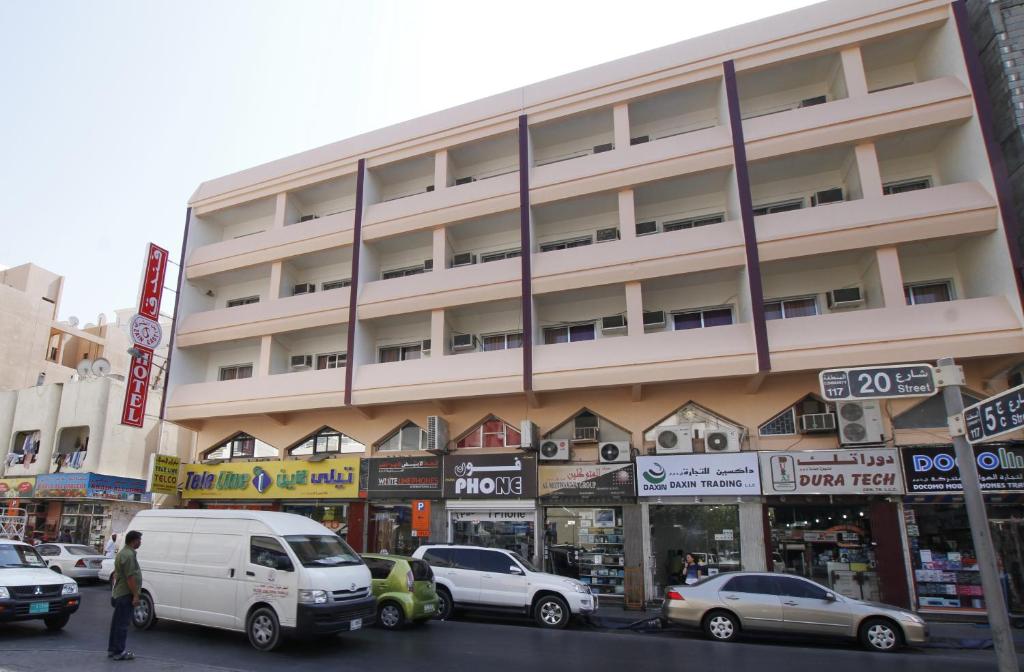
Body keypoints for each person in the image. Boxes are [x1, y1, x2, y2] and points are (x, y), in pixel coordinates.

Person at [108, 530, 142, 661]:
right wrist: (135, 595)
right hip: (125, 594)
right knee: (122, 624)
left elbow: (117, 574)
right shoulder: (128, 555)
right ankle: (119, 651)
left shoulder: (124, 553)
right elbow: (130, 577)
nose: (140, 542)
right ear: (134, 541)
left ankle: (113, 649)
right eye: (139, 540)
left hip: (120, 592)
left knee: (117, 623)